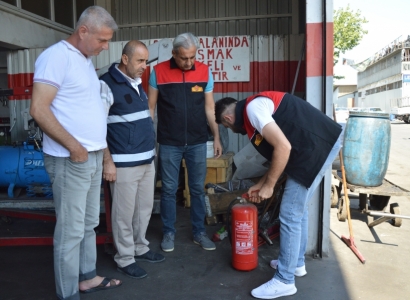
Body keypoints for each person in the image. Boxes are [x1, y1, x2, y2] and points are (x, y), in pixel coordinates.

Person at [30, 6, 122, 300]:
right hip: (72, 159)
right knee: (70, 231)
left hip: (91, 156)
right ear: (83, 31)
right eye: (102, 40)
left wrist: (101, 154)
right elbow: (38, 109)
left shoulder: (83, 60)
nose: (105, 47)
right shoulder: (56, 57)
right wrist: (75, 147)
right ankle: (68, 293)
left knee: (87, 224)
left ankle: (86, 278)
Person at [215, 91, 343, 299]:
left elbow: (283, 147)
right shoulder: (253, 109)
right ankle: (296, 264)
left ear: (227, 119)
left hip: (316, 148)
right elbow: (279, 152)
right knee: (297, 212)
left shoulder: (253, 109)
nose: (231, 129)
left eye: (227, 127)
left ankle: (284, 280)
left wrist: (270, 186)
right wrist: (262, 182)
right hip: (316, 146)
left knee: (290, 214)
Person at [148, 32, 222, 252]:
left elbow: (210, 108)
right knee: (169, 189)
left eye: (192, 57)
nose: (189, 62)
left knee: (197, 189)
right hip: (169, 142)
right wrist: (147, 139)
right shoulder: (158, 72)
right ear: (173, 54)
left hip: (198, 141)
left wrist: (216, 136)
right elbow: (150, 108)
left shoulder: (204, 71)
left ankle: (199, 232)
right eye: (183, 58)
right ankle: (169, 232)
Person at [99, 40, 165, 279]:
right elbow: (97, 127)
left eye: (146, 61)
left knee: (143, 210)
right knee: (123, 215)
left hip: (146, 159)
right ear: (125, 59)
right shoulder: (106, 85)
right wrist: (108, 162)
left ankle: (139, 247)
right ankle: (125, 258)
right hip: (123, 163)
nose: (144, 67)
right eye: (139, 61)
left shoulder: (137, 84)